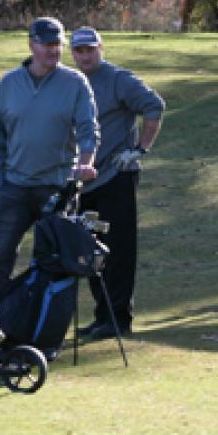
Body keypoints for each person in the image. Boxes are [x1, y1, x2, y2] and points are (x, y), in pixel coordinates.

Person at [0, 17, 100, 300]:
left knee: (54, 262)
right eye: (47, 45)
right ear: (31, 45)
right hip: (14, 188)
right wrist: (0, 183)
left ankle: (43, 331)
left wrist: (86, 163)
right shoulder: (9, 83)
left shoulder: (74, 83)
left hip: (57, 187)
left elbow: (89, 130)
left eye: (57, 45)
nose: (53, 51)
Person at [70, 26, 165, 339]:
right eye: (79, 51)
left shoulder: (117, 79)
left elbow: (154, 105)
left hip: (116, 176)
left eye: (90, 49)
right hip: (84, 180)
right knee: (89, 250)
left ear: (101, 48)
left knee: (118, 250)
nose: (85, 56)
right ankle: (103, 316)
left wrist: (139, 150)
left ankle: (118, 320)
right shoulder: (71, 82)